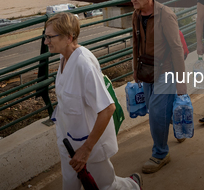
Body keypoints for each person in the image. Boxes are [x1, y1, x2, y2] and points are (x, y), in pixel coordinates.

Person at [44, 13, 142, 190]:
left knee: (106, 186)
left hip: (89, 146)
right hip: (68, 142)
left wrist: (86, 149)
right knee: (70, 185)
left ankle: (133, 186)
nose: (46, 42)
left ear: (69, 37)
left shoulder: (83, 65)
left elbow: (107, 109)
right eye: (46, 36)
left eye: (50, 37)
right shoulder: (63, 58)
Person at [126, 0, 187, 174]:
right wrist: (135, 68)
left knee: (156, 114)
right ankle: (176, 124)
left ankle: (161, 153)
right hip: (146, 70)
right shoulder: (136, 14)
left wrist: (181, 83)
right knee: (155, 109)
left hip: (166, 71)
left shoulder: (166, 15)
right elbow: (135, 43)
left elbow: (177, 49)